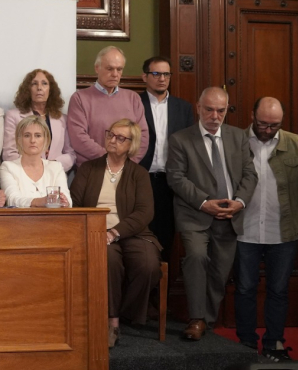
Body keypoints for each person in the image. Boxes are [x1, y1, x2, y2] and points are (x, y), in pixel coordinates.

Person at [167, 87, 258, 341]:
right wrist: (204, 202)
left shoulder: (238, 137)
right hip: (194, 215)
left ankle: (207, 318)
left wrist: (239, 202)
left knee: (220, 271)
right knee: (196, 257)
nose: (214, 116)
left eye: (220, 110)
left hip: (230, 215)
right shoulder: (180, 139)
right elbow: (176, 178)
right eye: (209, 109)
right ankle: (196, 319)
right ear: (198, 108)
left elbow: (250, 174)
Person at [69, 119, 161, 348]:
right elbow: (76, 204)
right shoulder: (88, 169)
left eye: (121, 138)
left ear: (131, 145)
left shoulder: (138, 174)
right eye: (111, 134)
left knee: (148, 265)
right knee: (108, 260)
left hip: (133, 232)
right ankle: (113, 322)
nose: (113, 140)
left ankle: (126, 311)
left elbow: (144, 212)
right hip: (96, 232)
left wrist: (115, 232)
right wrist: (98, 232)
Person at [235, 97, 298, 361]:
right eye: (262, 124)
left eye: (274, 125)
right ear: (252, 116)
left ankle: (274, 342)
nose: (267, 130)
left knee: (279, 289)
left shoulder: (297, 144)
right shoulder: (237, 142)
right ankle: (245, 342)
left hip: (284, 231)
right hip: (246, 229)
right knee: (245, 288)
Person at [138, 56, 194, 261]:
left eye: (166, 74)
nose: (162, 78)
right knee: (140, 241)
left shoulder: (183, 108)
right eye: (156, 74)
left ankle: (163, 291)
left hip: (172, 184)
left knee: (166, 242)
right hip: (141, 180)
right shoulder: (134, 103)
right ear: (145, 76)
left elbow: (190, 148)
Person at [66, 46, 149, 167]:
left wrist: (127, 163)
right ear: (97, 68)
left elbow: (142, 135)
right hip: (92, 170)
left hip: (127, 169)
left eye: (119, 69)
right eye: (109, 68)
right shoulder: (80, 98)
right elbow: (78, 137)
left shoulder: (133, 98)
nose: (115, 74)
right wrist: (110, 159)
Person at [2, 69, 76, 172]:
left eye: (44, 84)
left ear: (51, 90)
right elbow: (9, 153)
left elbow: (70, 154)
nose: (39, 88)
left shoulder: (62, 119)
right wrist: (34, 168)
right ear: (28, 90)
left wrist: (50, 166)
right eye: (34, 84)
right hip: (24, 175)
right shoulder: (13, 116)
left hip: (54, 174)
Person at [0, 115, 72, 208]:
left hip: (53, 221)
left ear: (45, 140)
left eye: (38, 136)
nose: (32, 140)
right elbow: (12, 200)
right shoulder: (8, 167)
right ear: (19, 140)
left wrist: (64, 202)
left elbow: (68, 201)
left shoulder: (56, 167)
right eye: (27, 135)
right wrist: (41, 201)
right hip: (20, 221)